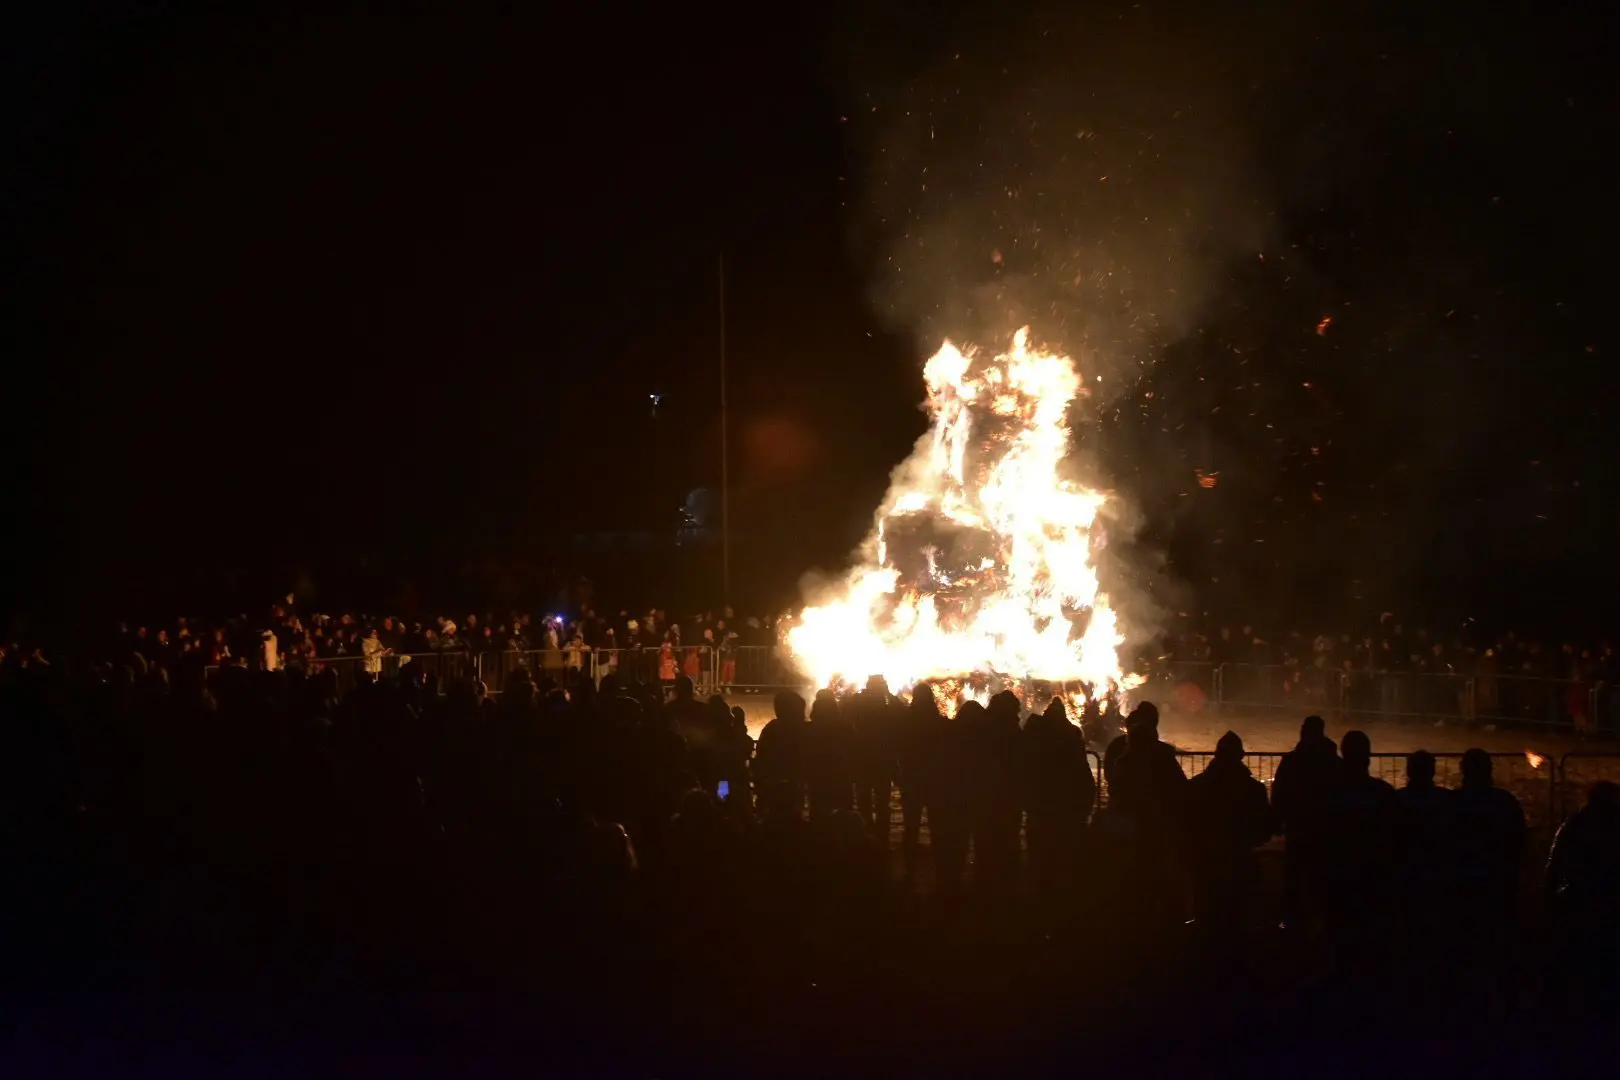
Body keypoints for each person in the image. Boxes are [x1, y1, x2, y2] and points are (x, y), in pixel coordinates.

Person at [1185, 730, 1273, 945]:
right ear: (1240, 756)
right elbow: (1265, 828)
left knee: (1208, 917)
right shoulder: (1253, 789)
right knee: (1239, 920)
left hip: (1206, 861)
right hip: (1240, 860)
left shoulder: (1197, 786)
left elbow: (1185, 822)